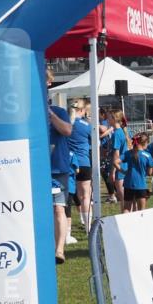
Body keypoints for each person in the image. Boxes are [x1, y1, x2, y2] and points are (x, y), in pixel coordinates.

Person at [46, 69, 73, 264]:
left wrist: (50, 115)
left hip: (57, 170)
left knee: (58, 209)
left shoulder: (59, 111)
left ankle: (59, 250)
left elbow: (67, 130)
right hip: (35, 170)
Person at [68, 100, 93, 232]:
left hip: (70, 163)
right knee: (86, 195)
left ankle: (67, 231)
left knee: (70, 196)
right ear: (82, 110)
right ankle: (88, 226)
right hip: (83, 162)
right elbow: (96, 142)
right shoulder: (86, 125)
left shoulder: (67, 123)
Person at [123, 133, 153, 213]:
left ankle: (124, 225)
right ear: (145, 143)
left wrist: (123, 171)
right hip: (141, 185)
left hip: (128, 184)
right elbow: (150, 173)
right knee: (141, 211)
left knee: (126, 208)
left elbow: (115, 162)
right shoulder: (147, 156)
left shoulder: (128, 153)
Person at [108, 110, 129, 209]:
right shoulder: (121, 131)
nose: (107, 120)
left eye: (109, 117)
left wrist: (113, 171)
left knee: (123, 198)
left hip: (119, 167)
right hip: (124, 165)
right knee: (125, 197)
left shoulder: (116, 134)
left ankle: (127, 217)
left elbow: (116, 154)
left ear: (114, 119)